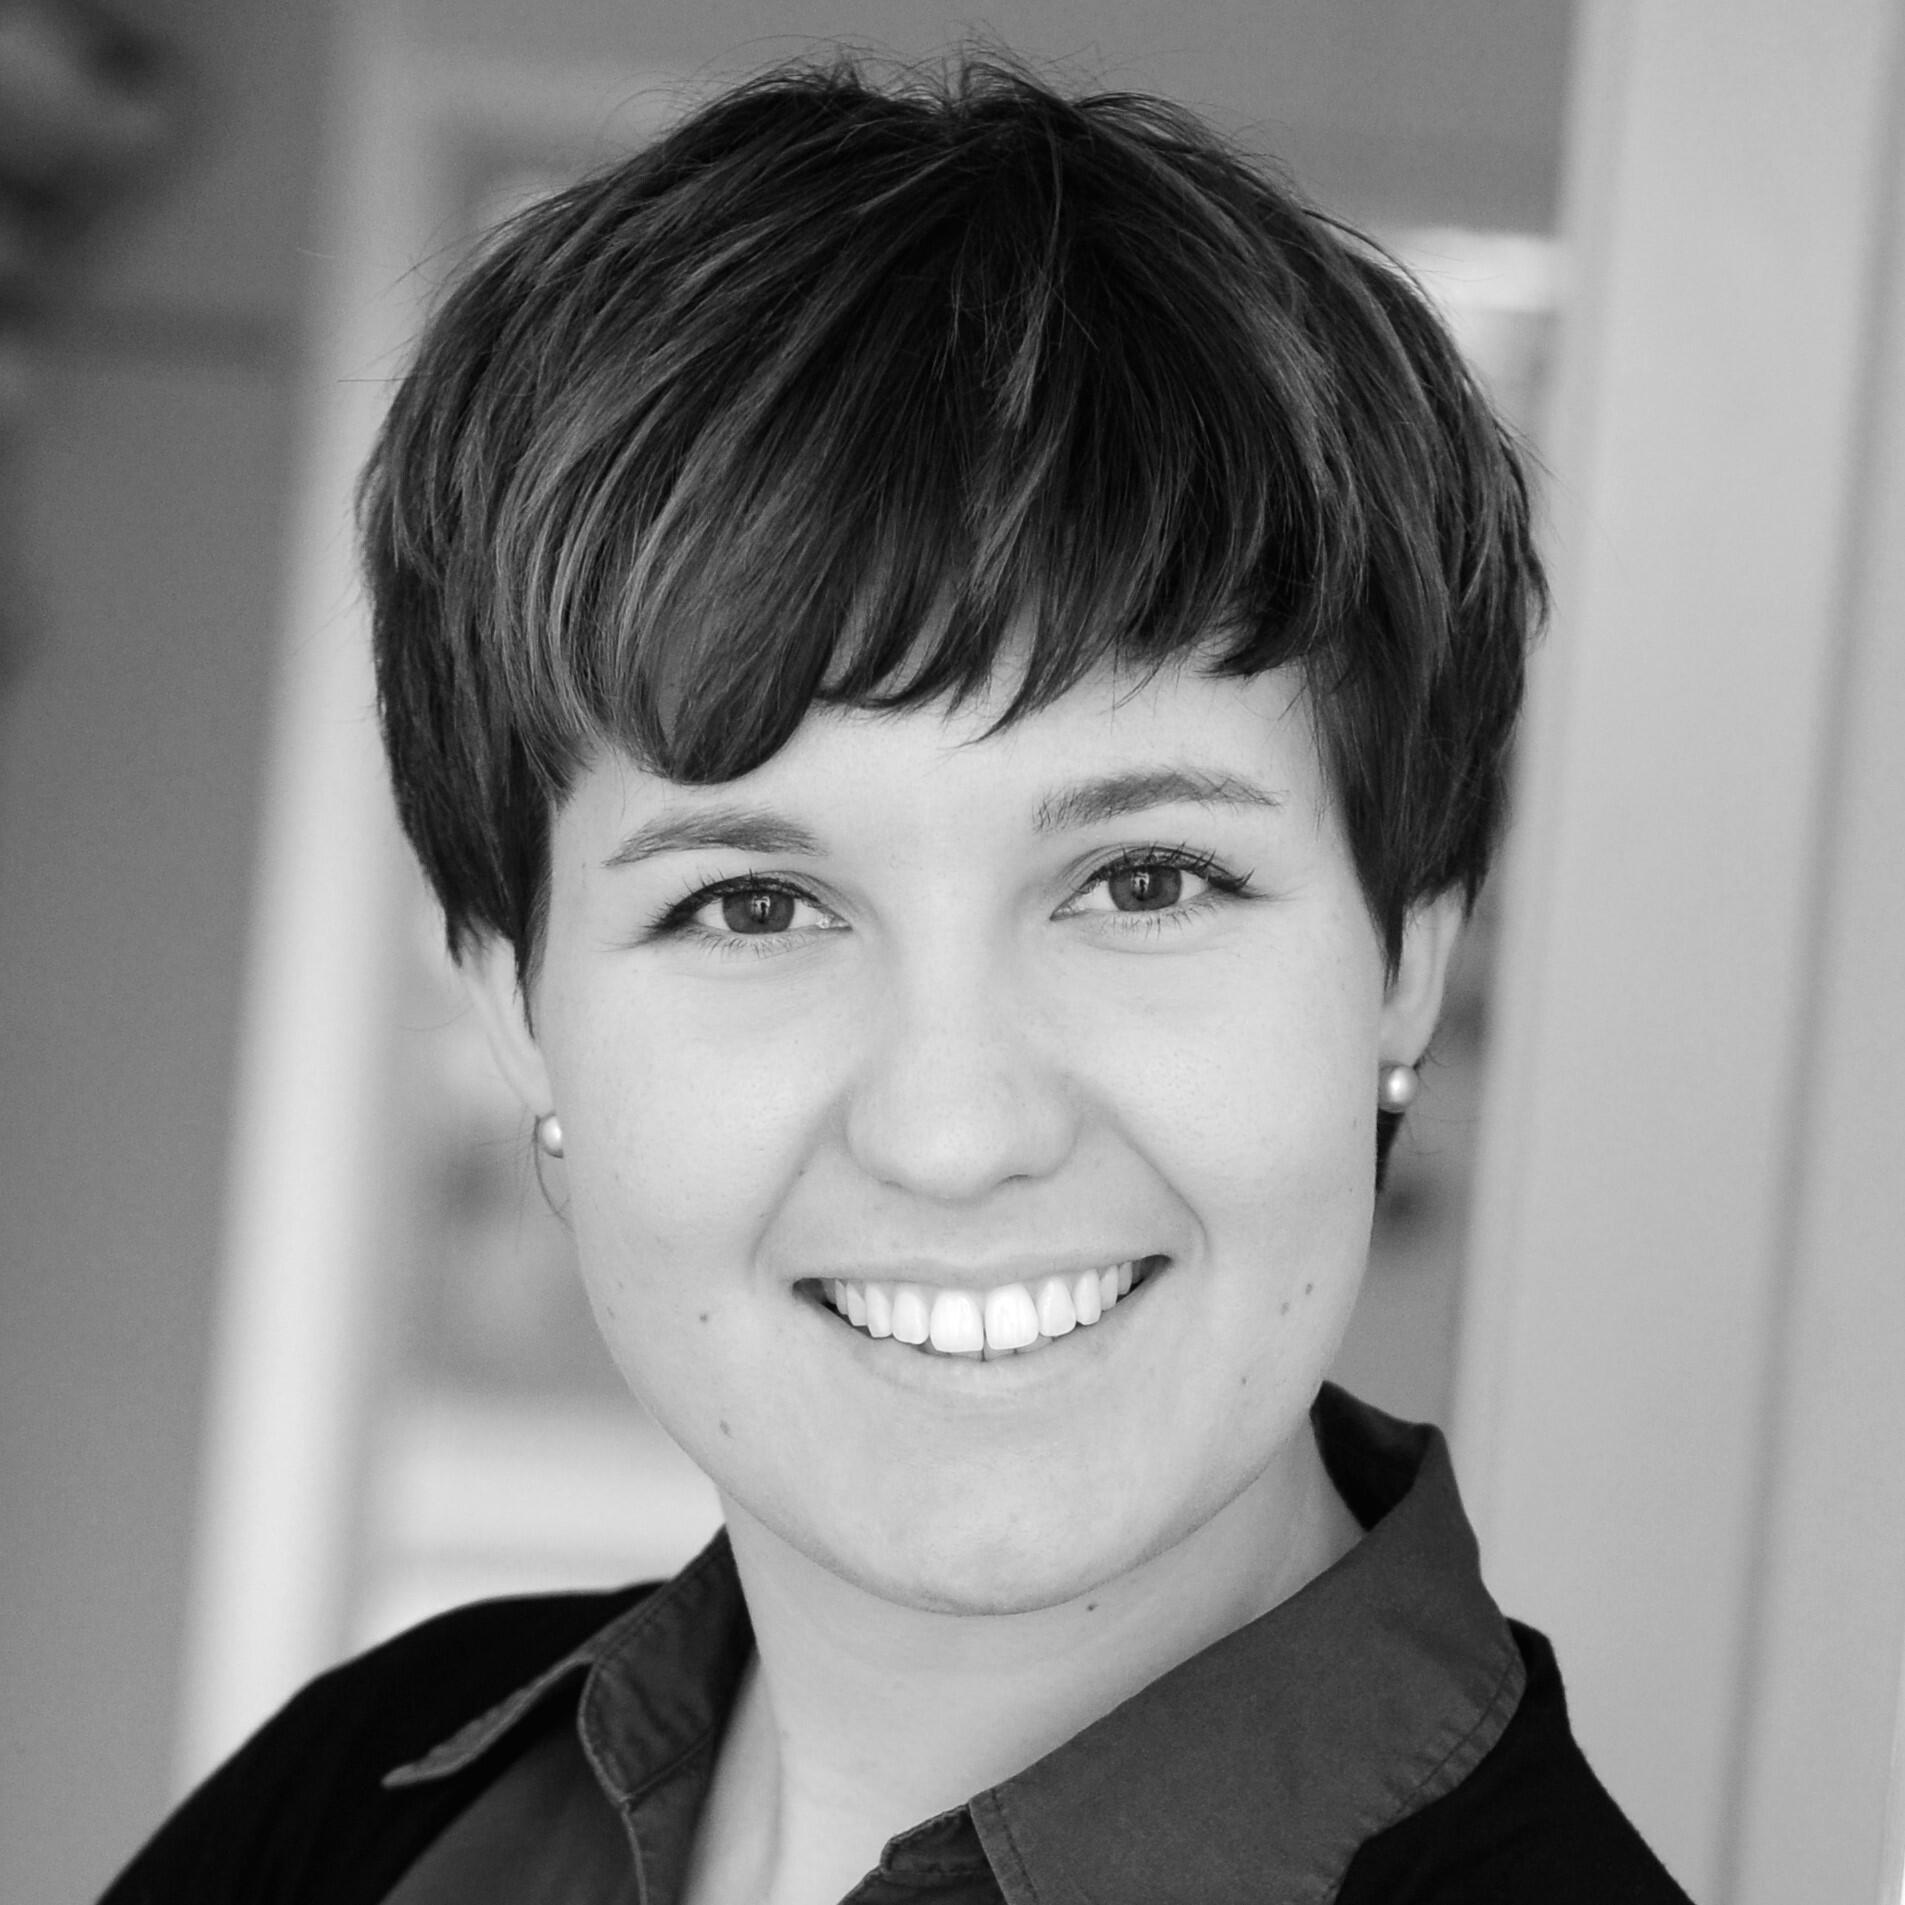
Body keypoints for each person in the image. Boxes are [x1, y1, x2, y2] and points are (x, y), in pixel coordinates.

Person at [103, 53, 1693, 1905]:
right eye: (751, 907)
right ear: (515, 1004)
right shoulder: (347, 1807)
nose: (953, 1127)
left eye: (1144, 879)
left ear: (1406, 954)